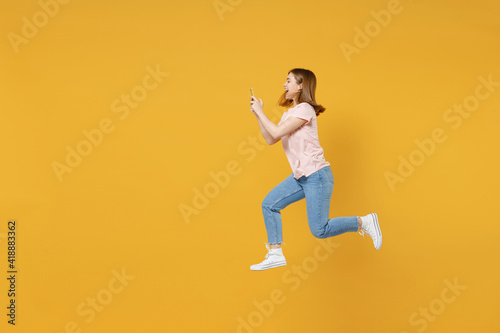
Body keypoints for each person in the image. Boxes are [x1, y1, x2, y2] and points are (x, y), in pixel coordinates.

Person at [249, 68, 382, 271]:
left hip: (317, 176)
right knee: (269, 204)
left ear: (301, 85)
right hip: (302, 177)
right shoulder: (288, 115)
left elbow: (275, 131)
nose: (284, 85)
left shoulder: (305, 109)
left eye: (288, 81)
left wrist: (260, 111)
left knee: (320, 230)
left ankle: (363, 222)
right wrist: (257, 115)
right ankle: (275, 253)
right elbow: (270, 138)